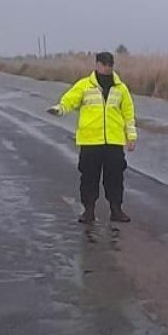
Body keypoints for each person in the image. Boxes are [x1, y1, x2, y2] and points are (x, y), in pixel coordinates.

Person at [47, 52, 137, 223]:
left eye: (110, 65)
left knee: (115, 177)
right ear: (97, 64)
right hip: (90, 141)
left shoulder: (121, 88)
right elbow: (69, 101)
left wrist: (131, 136)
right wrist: (59, 109)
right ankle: (88, 211)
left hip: (113, 142)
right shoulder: (84, 85)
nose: (107, 68)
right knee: (89, 177)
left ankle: (116, 210)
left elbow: (128, 114)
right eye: (104, 64)